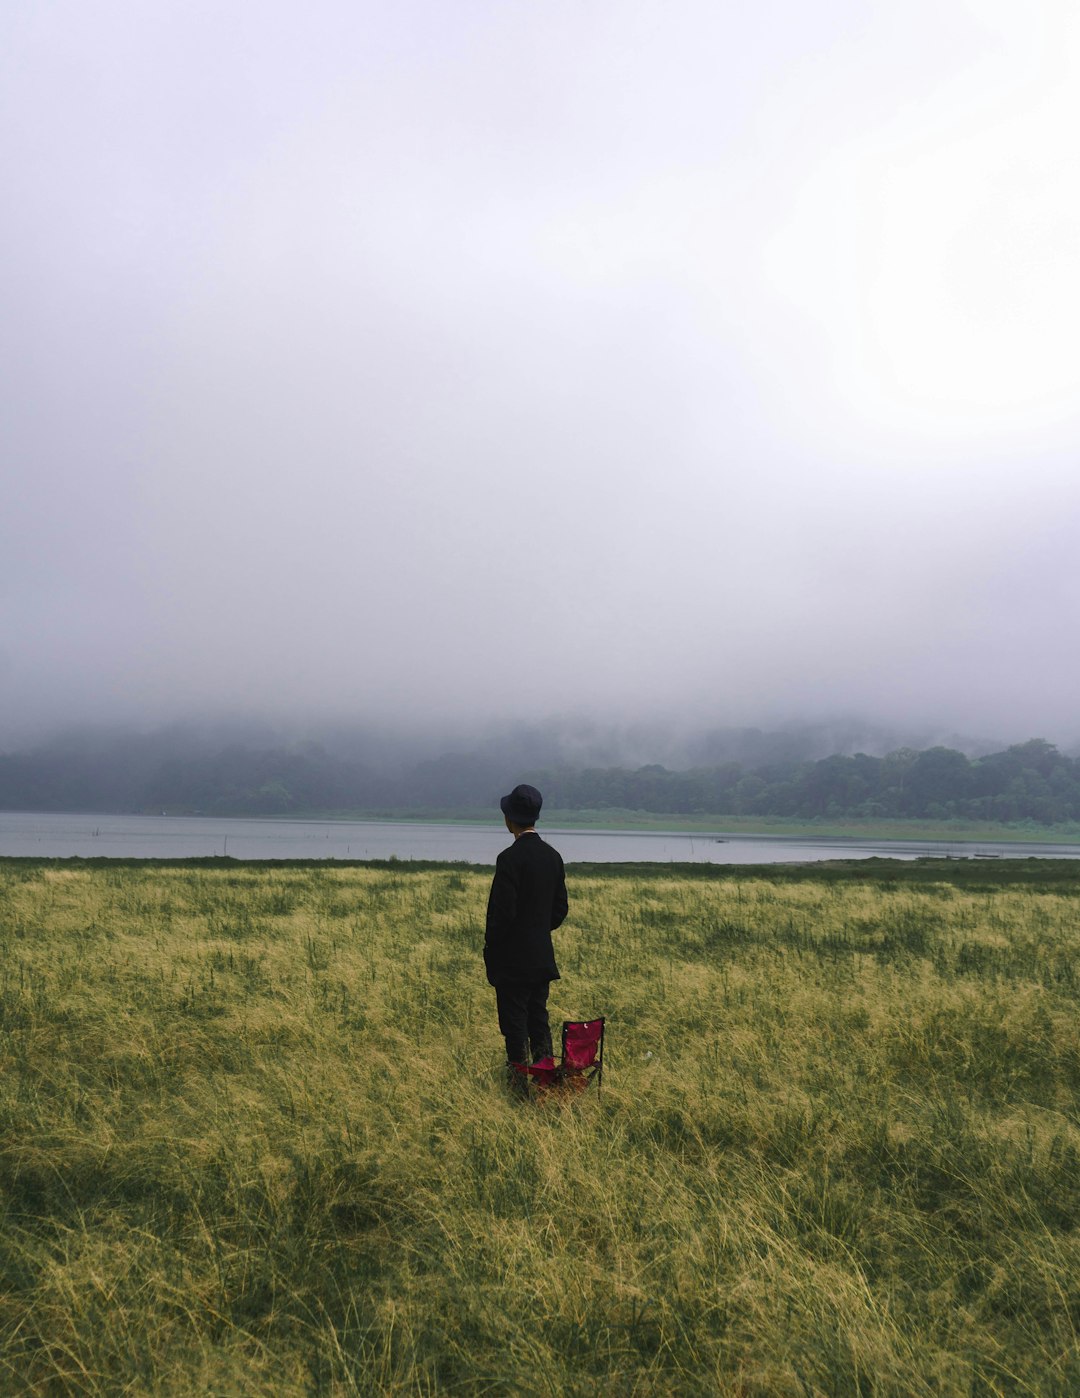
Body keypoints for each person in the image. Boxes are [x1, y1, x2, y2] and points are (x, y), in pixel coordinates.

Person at [485, 783, 568, 1089]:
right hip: (541, 956)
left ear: (510, 819)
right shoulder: (553, 856)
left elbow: (501, 916)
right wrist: (536, 930)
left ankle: (519, 1087)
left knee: (515, 1025)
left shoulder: (509, 859)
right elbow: (560, 908)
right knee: (538, 1019)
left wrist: (492, 947)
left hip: (512, 960)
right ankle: (545, 1082)